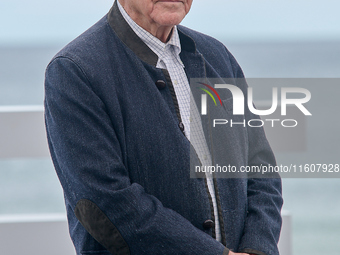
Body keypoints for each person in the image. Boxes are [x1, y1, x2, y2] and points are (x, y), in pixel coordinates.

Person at [44, 0, 283, 254]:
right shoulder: (74, 71)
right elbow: (105, 202)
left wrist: (257, 249)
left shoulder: (218, 56)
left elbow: (260, 169)